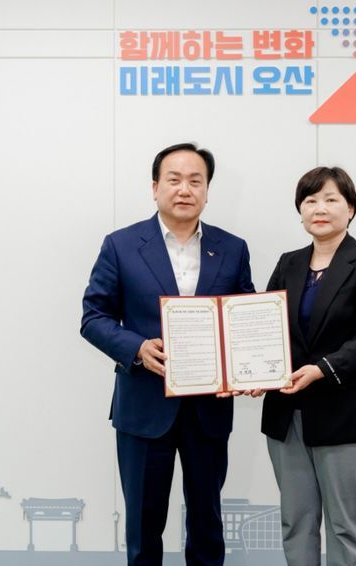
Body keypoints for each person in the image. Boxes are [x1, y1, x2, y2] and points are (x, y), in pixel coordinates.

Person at [80, 142, 254, 565]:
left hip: (209, 408)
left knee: (208, 527)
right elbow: (93, 316)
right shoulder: (121, 245)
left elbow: (245, 319)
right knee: (143, 529)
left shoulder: (232, 248)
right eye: (174, 179)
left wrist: (247, 368)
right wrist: (137, 348)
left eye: (196, 181)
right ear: (155, 187)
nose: (184, 189)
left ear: (207, 191)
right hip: (144, 406)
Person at [259, 166, 356, 566]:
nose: (320, 208)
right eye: (311, 200)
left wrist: (320, 369)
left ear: (350, 209)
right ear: (300, 210)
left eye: (332, 199)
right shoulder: (288, 263)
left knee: (343, 527)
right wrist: (253, 371)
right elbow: (266, 328)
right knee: (295, 523)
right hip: (287, 414)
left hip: (344, 413)